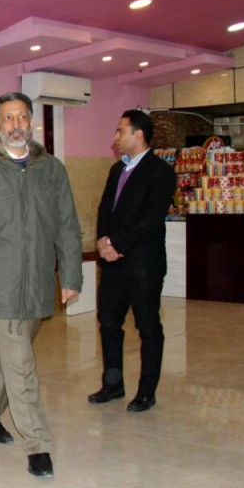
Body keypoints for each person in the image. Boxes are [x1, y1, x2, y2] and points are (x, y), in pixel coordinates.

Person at [0, 91, 82, 480]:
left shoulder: (51, 169)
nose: (16, 124)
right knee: (22, 365)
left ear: (31, 123)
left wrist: (70, 276)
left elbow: (67, 226)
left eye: (22, 117)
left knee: (12, 358)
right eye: (8, 118)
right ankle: (38, 444)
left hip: (37, 283)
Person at [89, 110, 176, 413]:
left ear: (138, 135)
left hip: (143, 265)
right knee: (109, 323)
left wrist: (115, 243)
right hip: (113, 263)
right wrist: (103, 243)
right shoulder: (116, 170)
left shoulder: (160, 171)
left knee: (148, 327)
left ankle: (146, 392)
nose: (115, 137)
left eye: (120, 131)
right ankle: (113, 384)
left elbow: (151, 219)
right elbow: (104, 210)